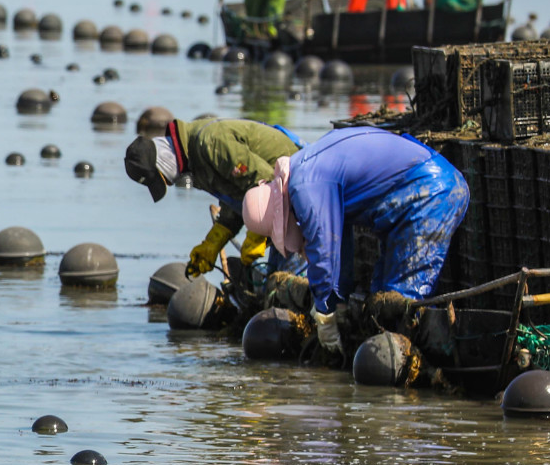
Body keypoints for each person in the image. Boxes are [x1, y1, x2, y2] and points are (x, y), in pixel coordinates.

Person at [241, 126, 468, 356]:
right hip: (413, 198)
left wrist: (324, 315)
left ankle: (410, 372)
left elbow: (324, 251)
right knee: (380, 299)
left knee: (400, 305)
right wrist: (337, 303)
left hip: (430, 192)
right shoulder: (306, 167)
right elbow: (340, 246)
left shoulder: (306, 186)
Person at [124, 117, 301, 278]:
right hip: (280, 207)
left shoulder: (210, 143)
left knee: (288, 281)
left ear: (163, 161)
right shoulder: (194, 161)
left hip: (297, 191)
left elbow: (266, 184)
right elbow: (238, 194)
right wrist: (213, 242)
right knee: (274, 277)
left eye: (163, 179)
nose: (169, 185)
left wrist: (257, 234)